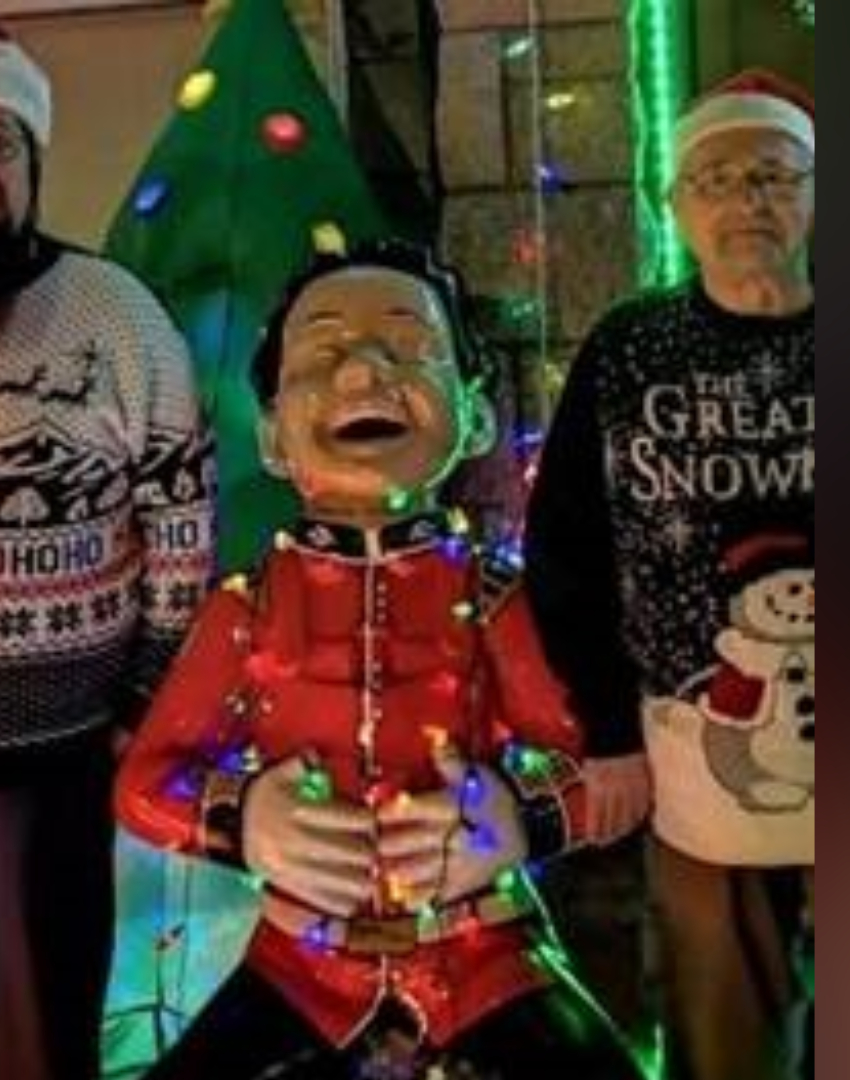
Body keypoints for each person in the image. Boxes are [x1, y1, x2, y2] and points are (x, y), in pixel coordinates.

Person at [115, 242, 642, 1078]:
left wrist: (520, 816)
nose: (362, 373)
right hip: (301, 966)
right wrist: (243, 818)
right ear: (273, 434)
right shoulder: (247, 611)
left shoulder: (497, 599)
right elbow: (145, 783)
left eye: (408, 347)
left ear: (474, 416)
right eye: (321, 355)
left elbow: (606, 771)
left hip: (484, 959)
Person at [0, 24, 216, 1080]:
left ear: (33, 162)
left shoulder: (120, 318)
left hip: (57, 758)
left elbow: (179, 526)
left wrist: (147, 705)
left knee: (41, 1039)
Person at [523, 69, 816, 1080]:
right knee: (728, 1034)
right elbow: (566, 549)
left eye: (775, 176)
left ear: (816, 194)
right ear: (676, 204)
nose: (749, 201)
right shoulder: (630, 350)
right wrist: (604, 731)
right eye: (720, 179)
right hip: (705, 762)